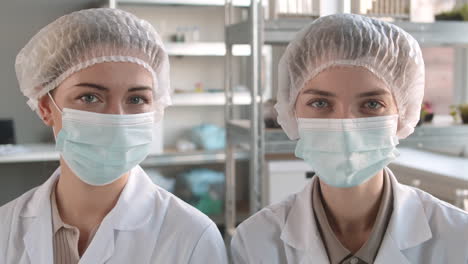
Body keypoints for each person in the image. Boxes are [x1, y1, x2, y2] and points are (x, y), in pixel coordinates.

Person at [231, 14, 468, 263]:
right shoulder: (255, 243)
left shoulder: (458, 239)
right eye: (320, 103)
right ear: (291, 112)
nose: (345, 125)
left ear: (404, 114)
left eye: (372, 104)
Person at [0, 8, 227, 264]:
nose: (117, 118)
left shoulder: (192, 237)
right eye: (90, 97)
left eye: (137, 99)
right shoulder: (5, 229)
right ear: (45, 107)